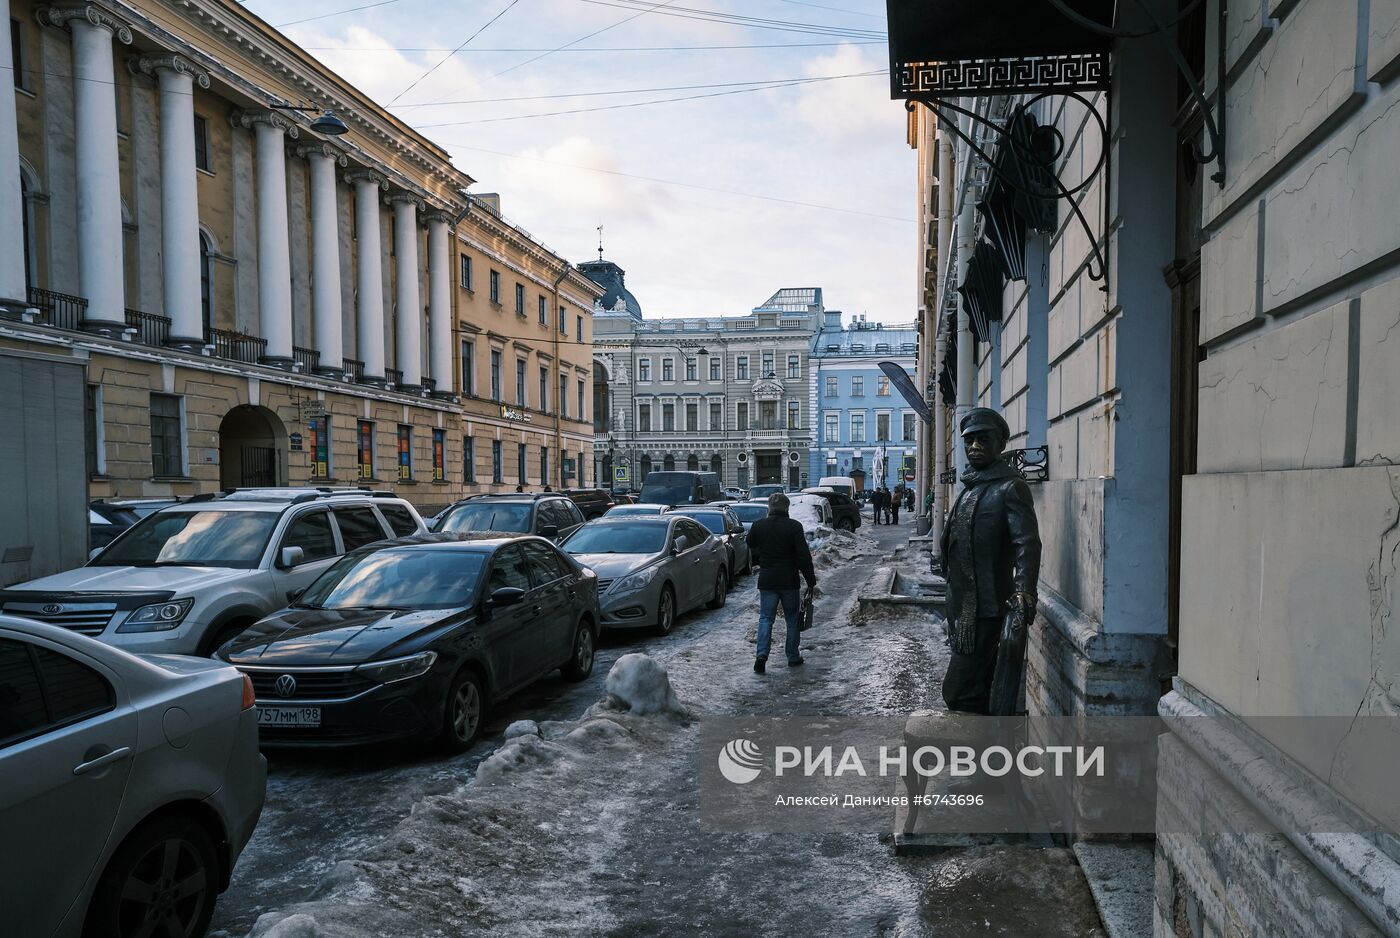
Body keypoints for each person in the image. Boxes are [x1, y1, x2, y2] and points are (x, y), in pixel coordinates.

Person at [939, 407, 1041, 714]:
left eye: (983, 439)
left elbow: (1026, 543)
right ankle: (984, 738)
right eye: (969, 441)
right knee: (980, 683)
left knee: (957, 691)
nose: (974, 446)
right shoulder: (971, 487)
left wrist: (1024, 590)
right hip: (963, 605)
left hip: (988, 607)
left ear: (1000, 444)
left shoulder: (1010, 487)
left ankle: (976, 734)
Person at [748, 492, 817, 674]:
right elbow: (803, 556)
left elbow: (750, 543)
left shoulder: (759, 525)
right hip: (789, 580)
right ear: (787, 508)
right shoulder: (794, 526)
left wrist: (762, 555)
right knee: (792, 619)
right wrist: (810, 579)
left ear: (769, 507)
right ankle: (793, 656)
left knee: (766, 618)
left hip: (767, 580)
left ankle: (761, 656)